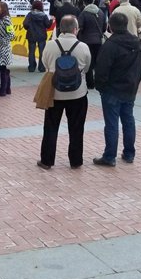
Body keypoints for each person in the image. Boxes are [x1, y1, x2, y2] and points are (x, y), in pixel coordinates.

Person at [37, 15, 91, 170]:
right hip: (78, 93)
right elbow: (86, 68)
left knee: (50, 127)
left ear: (60, 28)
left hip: (55, 92)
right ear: (75, 29)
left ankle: (47, 160)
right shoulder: (83, 46)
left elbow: (45, 64)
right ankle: (75, 160)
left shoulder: (50, 45)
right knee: (76, 128)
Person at [92, 13, 141, 167]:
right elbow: (140, 67)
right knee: (128, 120)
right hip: (129, 87)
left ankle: (110, 156)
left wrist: (100, 86)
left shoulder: (110, 45)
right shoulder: (136, 42)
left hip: (112, 89)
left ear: (111, 26)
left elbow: (101, 69)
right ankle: (129, 153)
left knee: (112, 123)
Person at [76, 0, 106, 89]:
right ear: (93, 1)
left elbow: (80, 27)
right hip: (98, 41)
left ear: (84, 2)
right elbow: (104, 27)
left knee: (88, 62)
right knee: (98, 62)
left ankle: (90, 83)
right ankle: (98, 81)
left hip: (86, 41)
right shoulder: (100, 12)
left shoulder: (84, 13)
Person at [23, 0, 52, 72]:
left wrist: (28, 28)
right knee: (42, 52)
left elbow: (25, 24)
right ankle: (41, 67)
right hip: (41, 35)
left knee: (31, 51)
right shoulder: (44, 15)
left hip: (31, 35)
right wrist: (51, 21)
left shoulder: (30, 14)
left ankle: (32, 67)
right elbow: (48, 25)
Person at [0, 1, 15, 97]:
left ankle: (2, 90)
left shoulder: (6, 19)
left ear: (3, 9)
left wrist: (1, 42)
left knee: (2, 68)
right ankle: (7, 88)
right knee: (3, 68)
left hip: (4, 48)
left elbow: (12, 35)